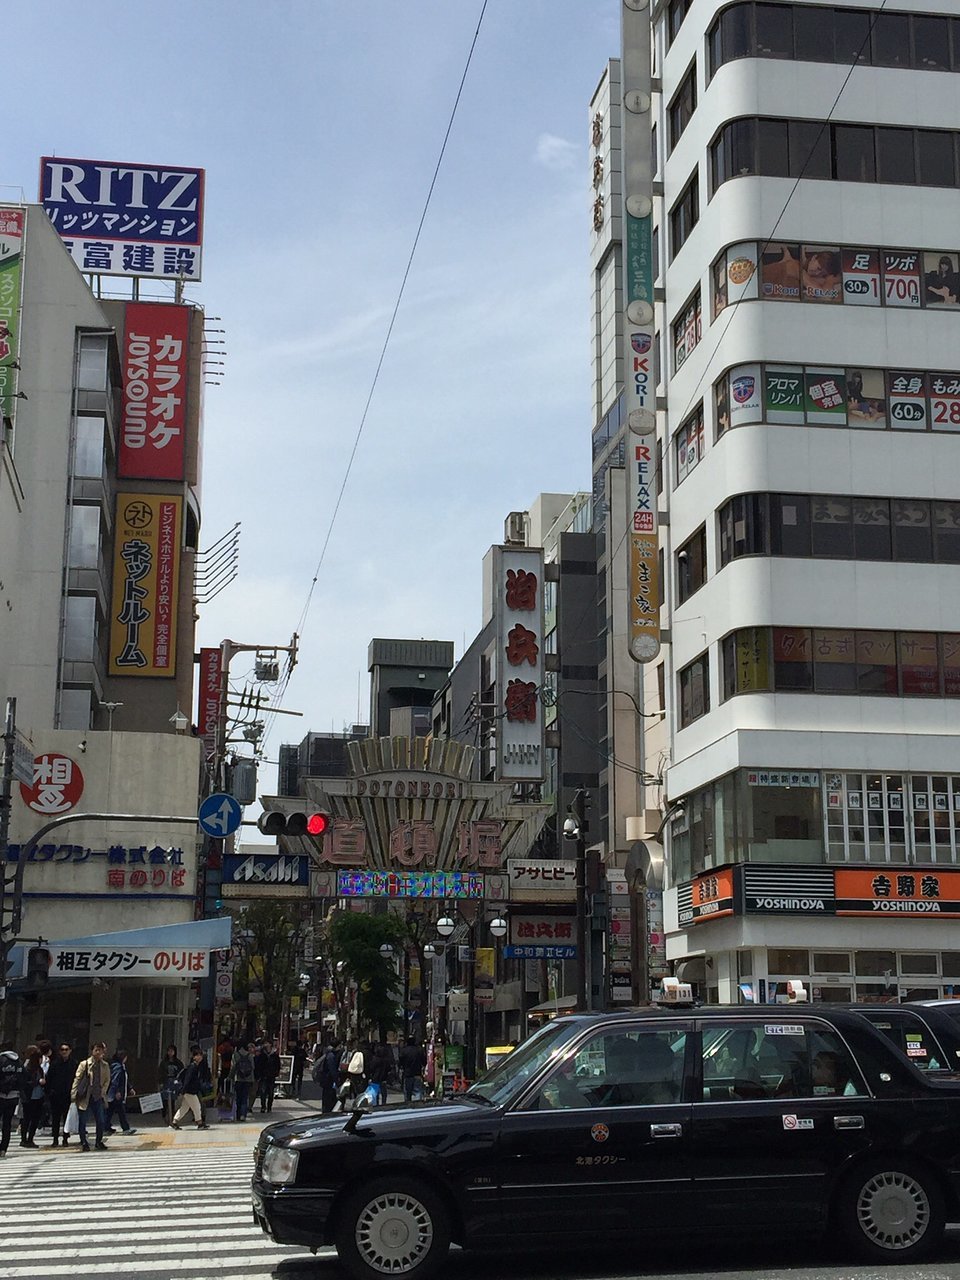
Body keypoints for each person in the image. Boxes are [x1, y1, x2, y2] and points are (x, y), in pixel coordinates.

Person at [72, 1042, 111, 1152]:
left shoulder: (105, 1065)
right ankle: (84, 1142)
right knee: (83, 1120)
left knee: (101, 1120)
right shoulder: (84, 1064)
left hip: (98, 1097)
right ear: (92, 1051)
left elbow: (107, 1080)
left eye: (101, 1050)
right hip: (85, 1096)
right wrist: (73, 1094)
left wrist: (103, 1091)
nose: (98, 1052)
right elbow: (77, 1079)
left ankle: (99, 1141)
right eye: (96, 1050)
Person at [171, 1047, 211, 1130]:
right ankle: (200, 1123)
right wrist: (184, 1090)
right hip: (189, 1091)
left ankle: (174, 1122)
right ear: (194, 1057)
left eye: (201, 1055)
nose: (200, 1057)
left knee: (184, 1108)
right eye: (198, 1055)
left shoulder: (196, 1066)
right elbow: (187, 1079)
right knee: (197, 1106)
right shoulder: (192, 1067)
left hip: (189, 1090)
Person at [46, 1042, 76, 1147]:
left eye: (66, 1049)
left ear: (70, 1051)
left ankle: (65, 1138)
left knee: (67, 1118)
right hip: (56, 1095)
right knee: (55, 1118)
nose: (64, 1051)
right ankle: (55, 1139)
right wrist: (49, 1092)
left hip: (68, 1095)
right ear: (59, 1051)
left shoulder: (73, 1064)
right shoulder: (54, 1064)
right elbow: (49, 1079)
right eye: (62, 1049)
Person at [106, 1048, 137, 1135]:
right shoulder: (118, 1067)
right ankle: (125, 1128)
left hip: (116, 1093)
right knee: (121, 1111)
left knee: (110, 1111)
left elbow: (124, 1080)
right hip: (117, 1093)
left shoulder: (120, 1066)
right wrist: (117, 1091)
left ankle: (106, 1126)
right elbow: (115, 1080)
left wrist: (130, 1088)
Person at [19, 1045, 45, 1148]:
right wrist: (37, 1082)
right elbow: (25, 1083)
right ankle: (24, 1139)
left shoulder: (40, 1069)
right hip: (29, 1097)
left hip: (38, 1097)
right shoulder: (27, 1069)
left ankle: (30, 1138)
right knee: (26, 1118)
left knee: (35, 1118)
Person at [0, 1041, 22, 1157]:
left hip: (1, 1095)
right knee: (7, 1123)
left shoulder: (1, 1060)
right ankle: (3, 1148)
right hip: (14, 1096)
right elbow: (23, 1076)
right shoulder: (18, 1062)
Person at [158, 1044, 184, 1126]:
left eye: (172, 1051)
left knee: (172, 1100)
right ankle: (164, 1115)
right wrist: (161, 1082)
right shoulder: (164, 1063)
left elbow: (182, 1072)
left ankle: (172, 1117)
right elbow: (160, 1073)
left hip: (174, 1082)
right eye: (169, 1051)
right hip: (166, 1082)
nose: (170, 1053)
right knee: (165, 1100)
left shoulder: (178, 1063)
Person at [230, 1042, 255, 1121]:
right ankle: (243, 1115)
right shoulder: (250, 1055)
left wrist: (230, 1077)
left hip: (238, 1079)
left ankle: (237, 1115)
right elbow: (253, 1067)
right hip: (248, 1080)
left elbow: (233, 1067)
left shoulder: (235, 1055)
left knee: (238, 1097)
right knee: (245, 1097)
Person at [314, 1043, 340, 1114]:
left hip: (325, 1079)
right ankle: (327, 1112)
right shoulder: (331, 1056)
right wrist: (337, 1080)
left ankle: (326, 1111)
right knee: (329, 1098)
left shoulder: (327, 1054)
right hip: (328, 1080)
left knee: (327, 1097)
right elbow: (332, 1070)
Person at [398, 1037, 426, 1103]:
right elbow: (424, 1062)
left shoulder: (404, 1051)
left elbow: (400, 1062)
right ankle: (417, 1105)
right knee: (418, 1091)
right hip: (417, 1073)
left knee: (407, 1092)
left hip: (407, 1074)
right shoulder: (419, 1050)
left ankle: (407, 1105)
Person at [257, 1039, 281, 1114]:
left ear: (270, 1044)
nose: (266, 1045)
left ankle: (269, 1107)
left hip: (271, 1076)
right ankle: (263, 1106)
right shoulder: (262, 1054)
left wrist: (276, 1073)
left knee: (270, 1093)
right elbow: (259, 1065)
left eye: (267, 1043)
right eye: (265, 1043)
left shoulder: (274, 1055)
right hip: (263, 1076)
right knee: (263, 1092)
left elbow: (278, 1065)